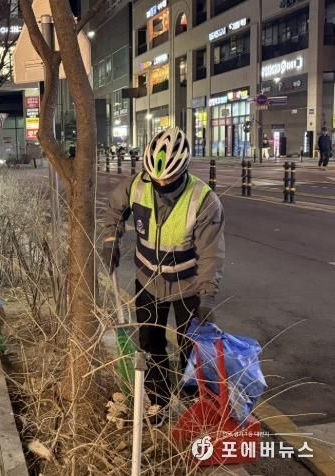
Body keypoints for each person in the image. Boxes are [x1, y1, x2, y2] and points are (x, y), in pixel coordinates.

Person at [101, 127, 225, 425]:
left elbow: (211, 253)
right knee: (150, 343)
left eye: (168, 179)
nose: (161, 184)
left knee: (191, 348)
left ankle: (194, 405)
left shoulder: (204, 200)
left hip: (188, 285)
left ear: (182, 171)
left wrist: (207, 297)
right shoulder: (138, 185)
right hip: (148, 280)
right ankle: (158, 402)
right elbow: (115, 210)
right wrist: (110, 240)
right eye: (156, 179)